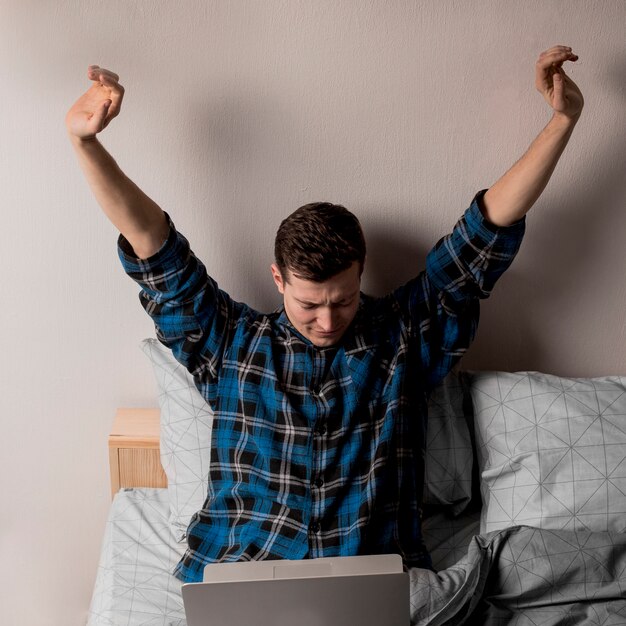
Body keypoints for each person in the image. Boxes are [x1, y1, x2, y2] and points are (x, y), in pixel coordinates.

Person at [66, 46, 583, 583]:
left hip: (371, 582)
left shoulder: (404, 335)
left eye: (343, 300)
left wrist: (562, 121)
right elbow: (155, 250)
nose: (328, 321)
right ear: (278, 280)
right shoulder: (230, 342)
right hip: (243, 576)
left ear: (360, 275)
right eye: (309, 304)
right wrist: (86, 144)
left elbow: (483, 236)